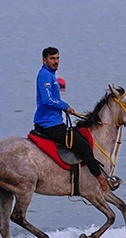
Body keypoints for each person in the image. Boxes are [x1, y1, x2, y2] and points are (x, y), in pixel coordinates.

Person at [33, 48, 110, 192]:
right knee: (84, 145)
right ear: (44, 60)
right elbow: (47, 99)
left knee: (81, 136)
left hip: (55, 121)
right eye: (52, 59)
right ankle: (100, 179)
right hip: (49, 124)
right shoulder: (44, 75)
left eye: (57, 58)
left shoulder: (51, 75)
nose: (56, 61)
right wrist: (65, 106)